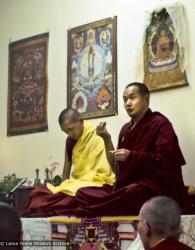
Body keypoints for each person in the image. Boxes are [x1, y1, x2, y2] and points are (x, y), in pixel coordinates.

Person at [73, 82, 187, 216]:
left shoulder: (160, 124)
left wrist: (132, 157)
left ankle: (100, 207)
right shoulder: (125, 129)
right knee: (82, 193)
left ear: (146, 99)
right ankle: (105, 206)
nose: (128, 103)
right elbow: (117, 169)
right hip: (126, 187)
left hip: (154, 188)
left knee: (132, 193)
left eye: (132, 98)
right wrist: (106, 139)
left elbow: (167, 163)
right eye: (125, 99)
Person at [22, 108, 115, 217]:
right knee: (36, 194)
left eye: (71, 129)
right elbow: (66, 172)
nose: (69, 134)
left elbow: (114, 165)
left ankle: (64, 204)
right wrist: (61, 190)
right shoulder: (70, 141)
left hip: (97, 183)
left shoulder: (99, 133)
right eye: (65, 131)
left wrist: (106, 138)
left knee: (84, 194)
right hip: (77, 184)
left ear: (81, 121)